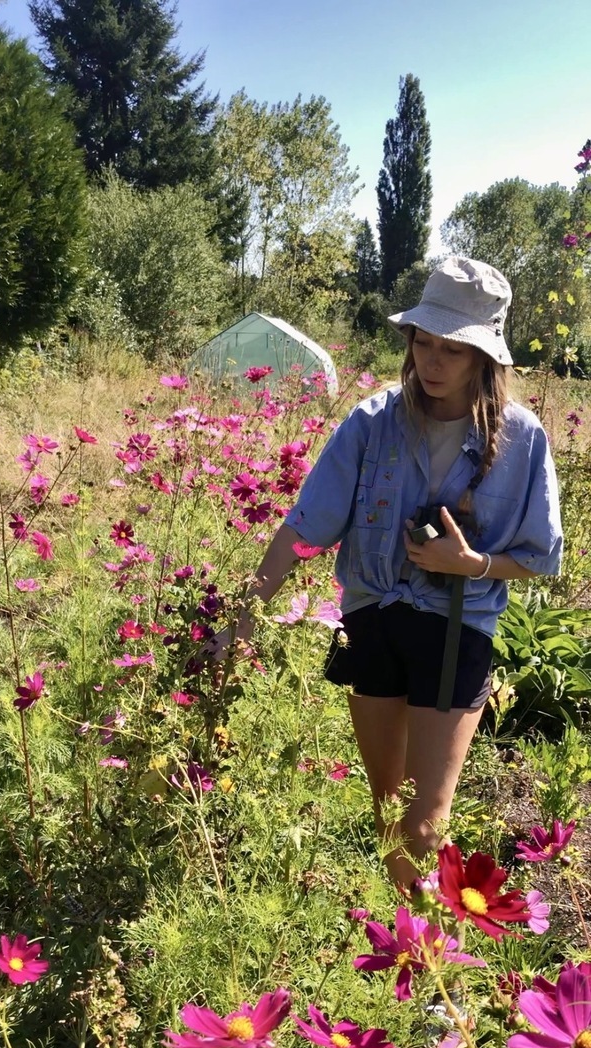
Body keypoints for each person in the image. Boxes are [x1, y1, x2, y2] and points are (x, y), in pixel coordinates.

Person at [211, 257, 563, 888]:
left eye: (451, 349)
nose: (432, 362)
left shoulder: (522, 439)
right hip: (371, 620)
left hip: (457, 631)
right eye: (422, 342)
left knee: (426, 824)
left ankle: (428, 957)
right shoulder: (373, 423)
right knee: (389, 812)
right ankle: (400, 953)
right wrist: (244, 618)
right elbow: (304, 526)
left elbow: (540, 557)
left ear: (485, 357)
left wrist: (471, 563)